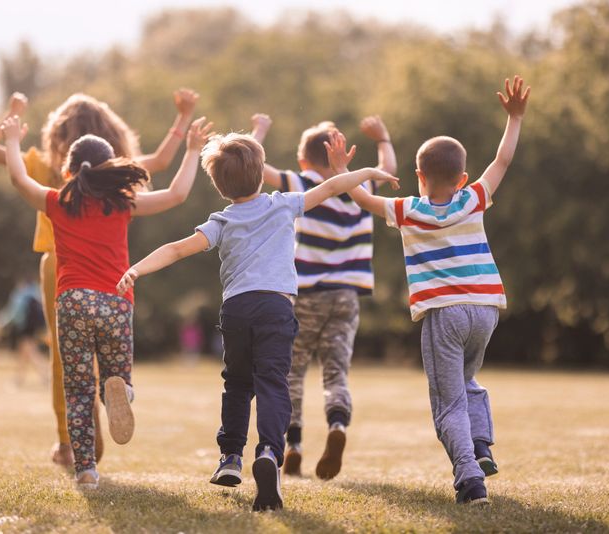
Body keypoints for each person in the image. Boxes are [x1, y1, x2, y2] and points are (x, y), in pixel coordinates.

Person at [116, 133, 398, 510]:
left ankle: (230, 457)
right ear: (261, 176)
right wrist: (366, 170)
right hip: (276, 309)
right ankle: (268, 451)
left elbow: (177, 248)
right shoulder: (283, 205)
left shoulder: (221, 220)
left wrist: (136, 268)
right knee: (273, 383)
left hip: (236, 310)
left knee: (236, 384)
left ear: (219, 186)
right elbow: (332, 187)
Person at [0, 79, 200, 468]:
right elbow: (164, 171)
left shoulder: (49, 176)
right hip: (114, 286)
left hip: (64, 274)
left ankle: (70, 442)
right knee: (110, 358)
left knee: (66, 362)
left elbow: (4, 163)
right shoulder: (120, 186)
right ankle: (115, 391)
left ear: (62, 143)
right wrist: (185, 122)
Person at [326, 76, 530, 504]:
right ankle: (481, 446)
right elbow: (503, 161)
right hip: (487, 308)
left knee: (448, 402)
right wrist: (514, 118)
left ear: (419, 175)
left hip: (445, 313)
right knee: (468, 379)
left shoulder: (408, 210)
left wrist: (342, 168)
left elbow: (361, 200)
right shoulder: (473, 198)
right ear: (463, 177)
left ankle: (469, 477)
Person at [252, 113, 397, 479]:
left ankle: (294, 444)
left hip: (305, 295)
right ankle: (338, 426)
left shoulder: (302, 182)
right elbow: (388, 168)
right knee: (337, 372)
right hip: (346, 295)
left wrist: (259, 133)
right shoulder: (360, 187)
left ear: (304, 160)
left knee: (293, 372)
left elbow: (256, 168)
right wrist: (382, 139)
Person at [0, 277, 49, 386]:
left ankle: (46, 375)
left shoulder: (20, 296)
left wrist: (0, 322)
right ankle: (19, 380)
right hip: (32, 328)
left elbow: (13, 313)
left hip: (24, 328)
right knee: (24, 354)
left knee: (31, 353)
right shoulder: (35, 294)